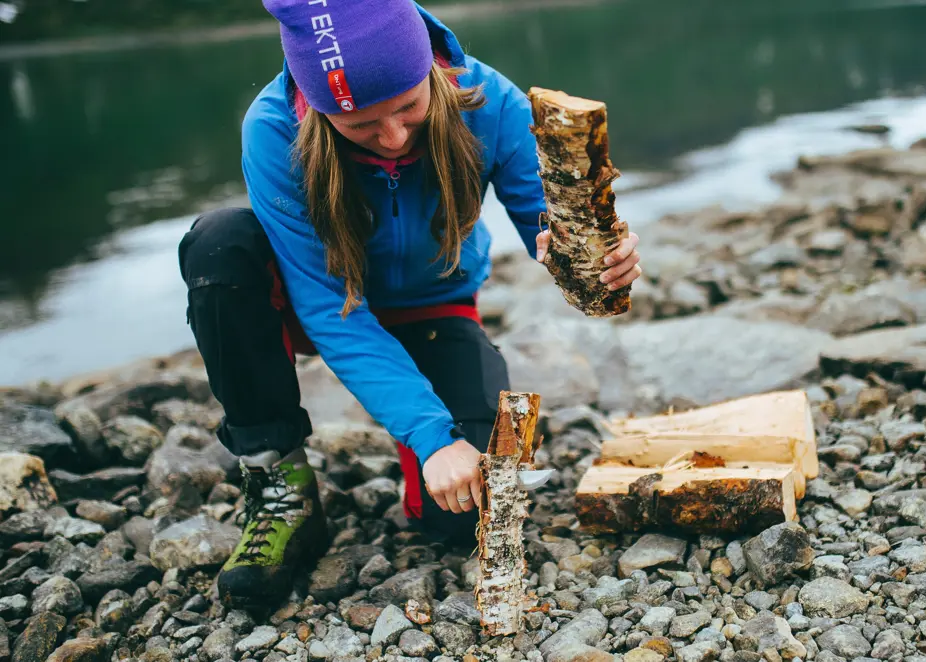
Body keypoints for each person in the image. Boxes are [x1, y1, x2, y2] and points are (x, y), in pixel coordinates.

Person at [177, 0, 641, 608]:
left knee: (461, 519)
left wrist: (597, 257)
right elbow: (328, 309)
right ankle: (277, 479)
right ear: (319, 110)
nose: (392, 139)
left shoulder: (487, 99)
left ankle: (421, 442)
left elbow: (545, 224)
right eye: (360, 125)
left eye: (408, 109)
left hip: (434, 306)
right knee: (219, 245)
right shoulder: (273, 129)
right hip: (316, 308)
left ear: (427, 68)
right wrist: (430, 435)